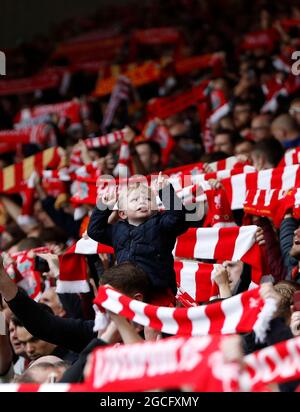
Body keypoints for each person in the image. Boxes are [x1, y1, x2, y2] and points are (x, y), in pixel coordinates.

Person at [87, 174, 189, 304]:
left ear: (156, 208)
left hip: (158, 292)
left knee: (156, 323)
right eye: (135, 200)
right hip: (128, 291)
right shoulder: (117, 230)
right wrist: (104, 207)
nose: (142, 202)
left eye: (148, 199)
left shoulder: (161, 225)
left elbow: (178, 219)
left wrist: (166, 193)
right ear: (122, 213)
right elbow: (95, 230)